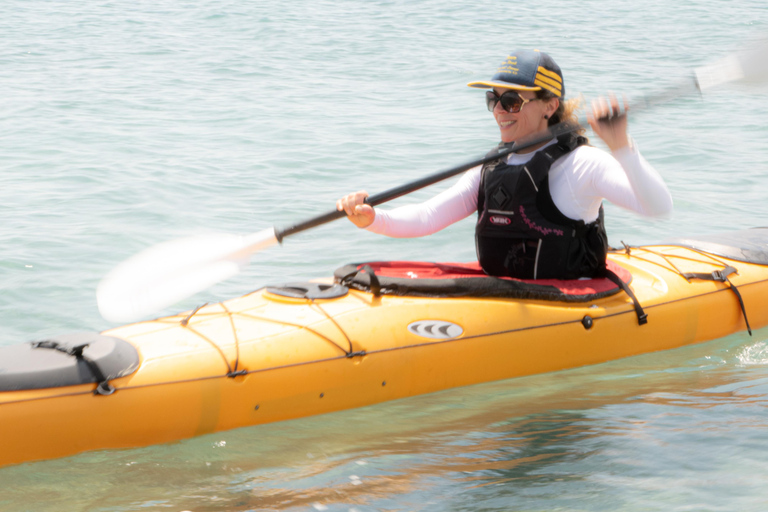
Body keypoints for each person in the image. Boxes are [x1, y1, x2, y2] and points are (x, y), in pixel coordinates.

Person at [336, 49, 672, 280]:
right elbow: (427, 217)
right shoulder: (492, 168)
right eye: (493, 100)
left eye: (511, 101)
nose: (499, 111)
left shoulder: (582, 165)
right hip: (511, 302)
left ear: (549, 105)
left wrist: (621, 147)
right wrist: (372, 218)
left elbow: (657, 206)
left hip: (571, 306)